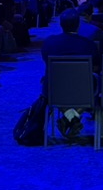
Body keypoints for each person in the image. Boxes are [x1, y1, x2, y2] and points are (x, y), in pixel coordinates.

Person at [41, 9, 97, 138]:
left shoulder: (49, 43)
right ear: (78, 25)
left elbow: (46, 63)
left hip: (55, 90)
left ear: (60, 24)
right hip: (84, 90)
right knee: (95, 84)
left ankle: (68, 119)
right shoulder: (88, 44)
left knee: (52, 81)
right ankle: (72, 118)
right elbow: (97, 66)